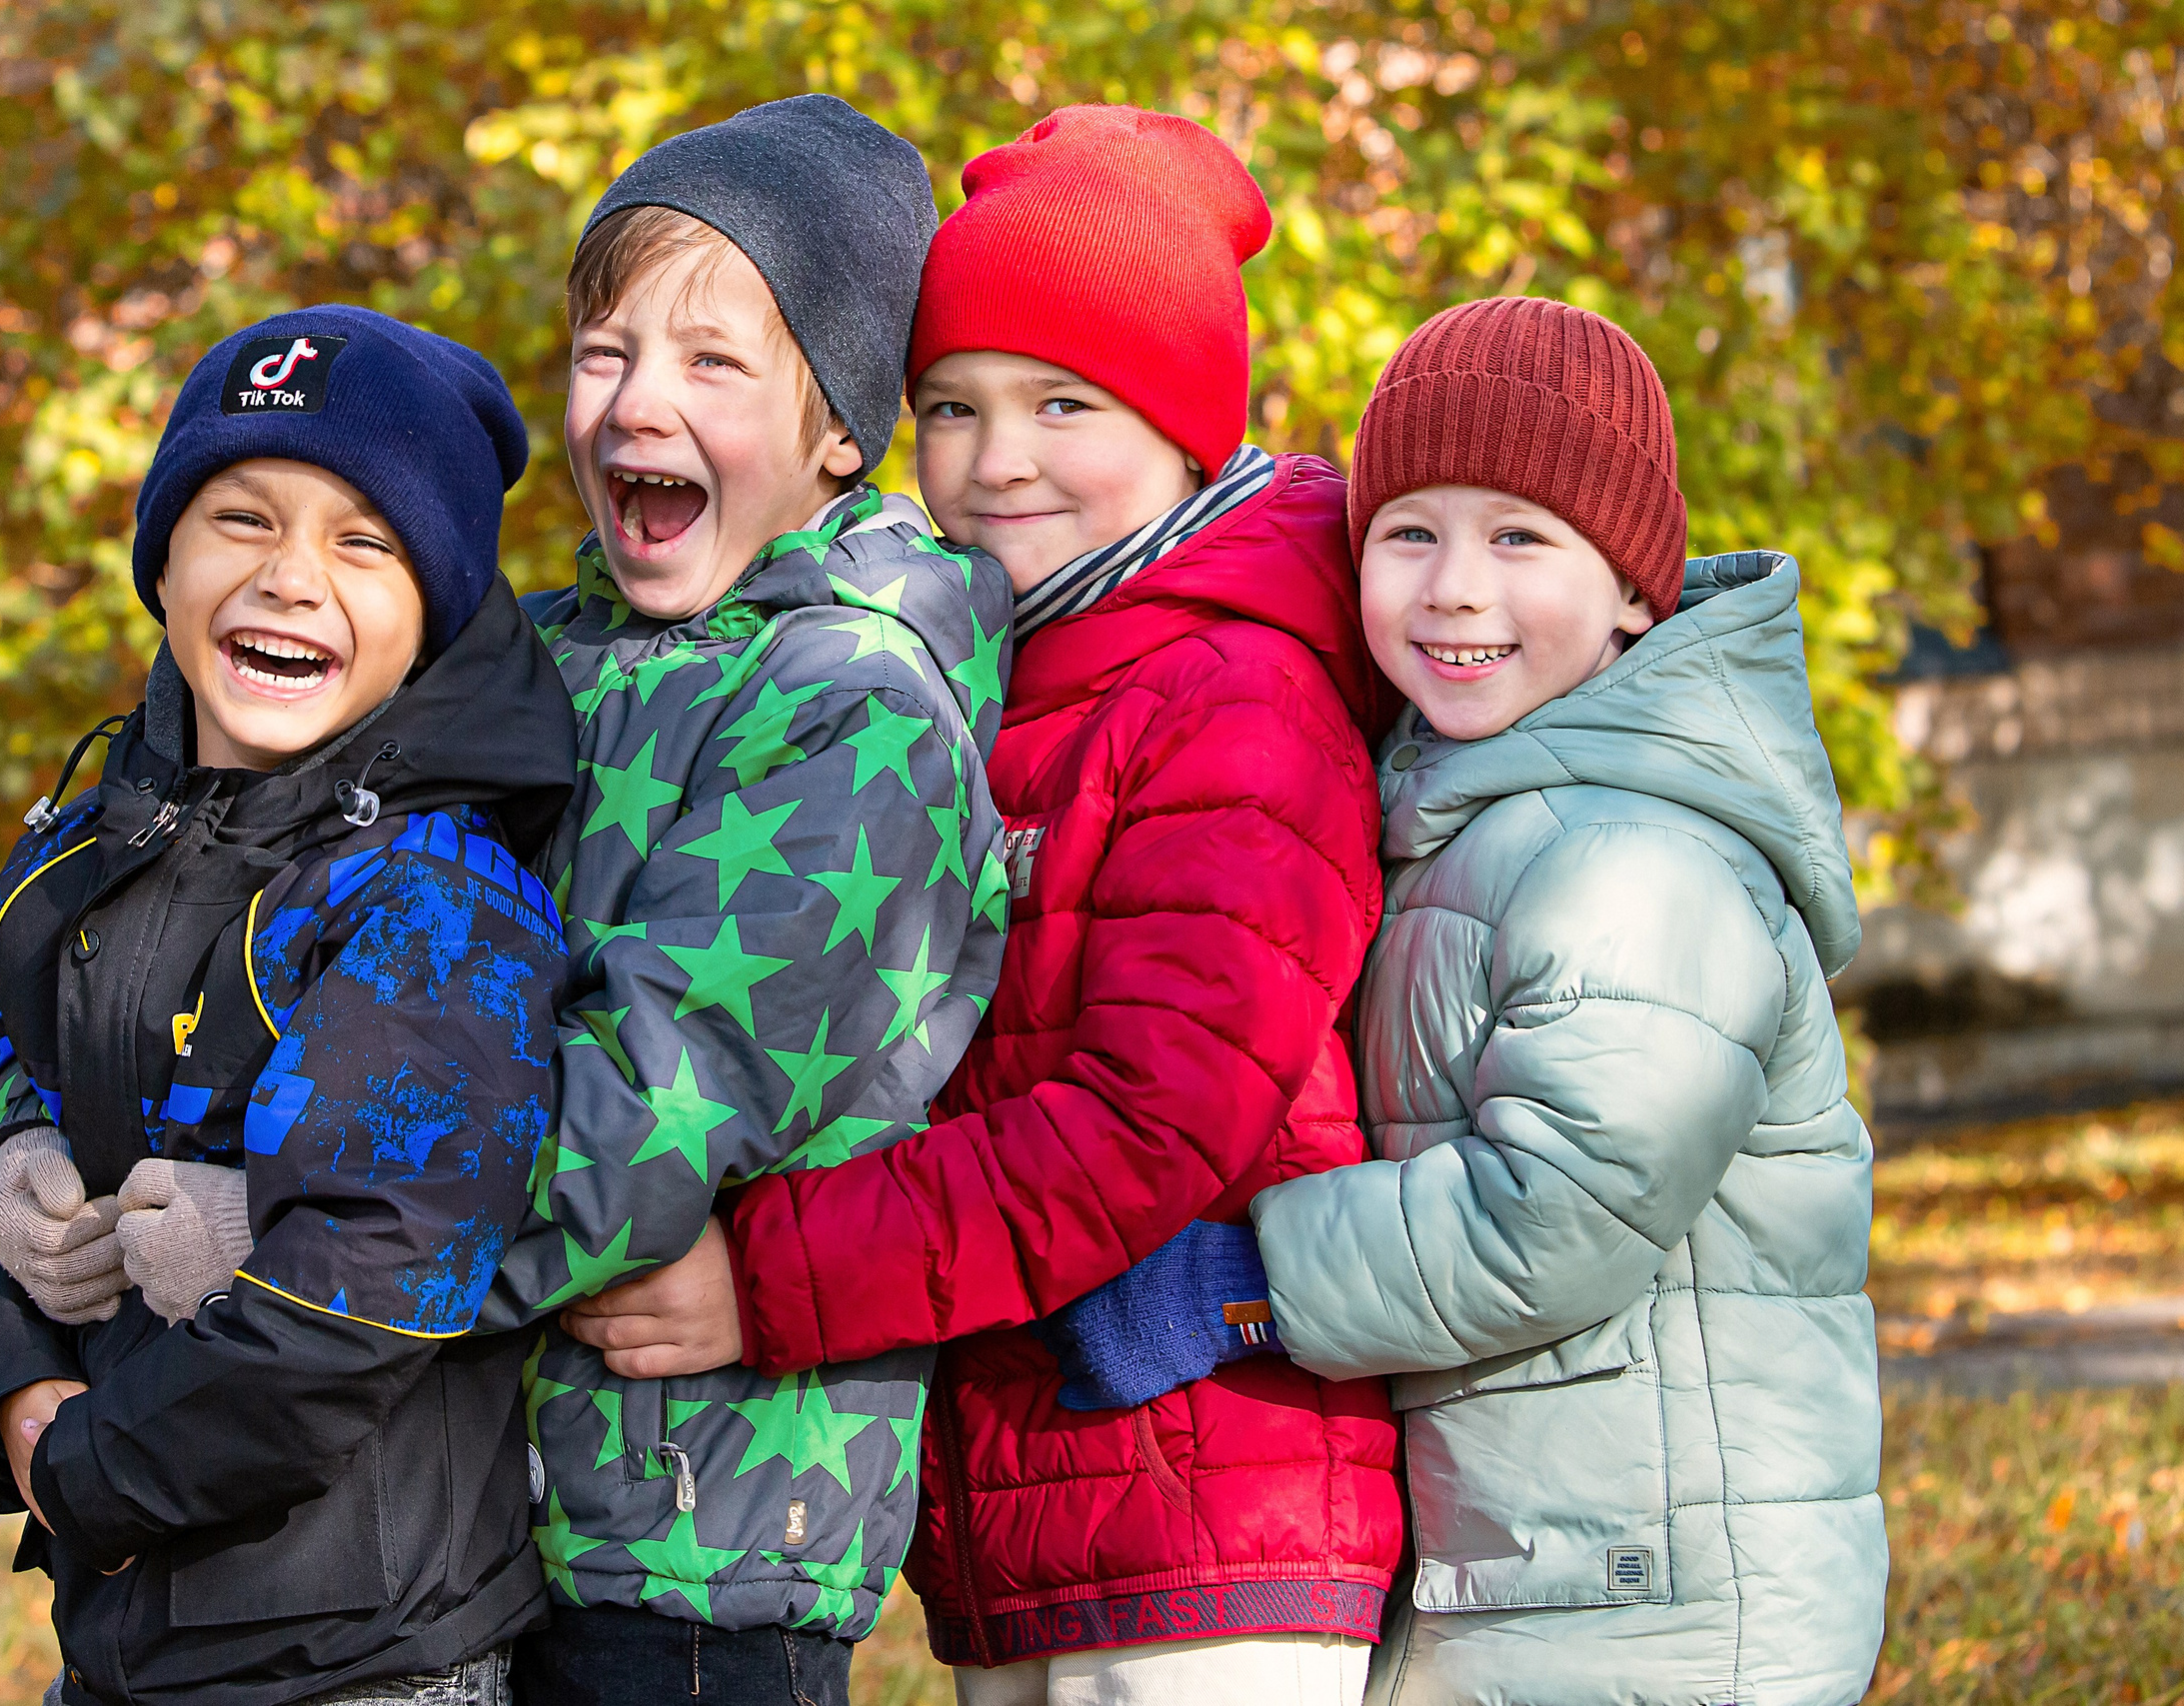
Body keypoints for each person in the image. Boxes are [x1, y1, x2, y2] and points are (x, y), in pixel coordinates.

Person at [572, 105, 1407, 1705]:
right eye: (950, 406)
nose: (995, 457)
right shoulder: (1011, 680)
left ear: (1185, 433)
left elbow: (1149, 1125)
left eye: (1063, 404)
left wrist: (774, 1275)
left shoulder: (1233, 698)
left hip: (1206, 1499)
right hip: (1037, 1501)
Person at [1231, 296, 1885, 1703]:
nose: (1456, 586)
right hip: (1556, 1562)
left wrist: (1246, 1282)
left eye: (1520, 536)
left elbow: (1562, 1207)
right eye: (1411, 533)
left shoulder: (1637, 857)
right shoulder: (1468, 818)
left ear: (1636, 589)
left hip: (1669, 1589)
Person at [0, 306, 576, 1706]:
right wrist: (12, 1373)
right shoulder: (92, 847)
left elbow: (370, 1281)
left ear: (438, 605)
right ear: (164, 560)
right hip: (126, 1639)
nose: (290, 578)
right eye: (240, 517)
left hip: (357, 1648)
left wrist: (85, 1470)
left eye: (364, 542)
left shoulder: (439, 895)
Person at [478, 95, 1014, 1706]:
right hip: (484, 1516)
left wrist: (302, 1263)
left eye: (714, 362)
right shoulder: (531, 665)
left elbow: (649, 1108)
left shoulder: (854, 703)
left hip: (697, 1554)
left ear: (840, 427)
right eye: (603, 350)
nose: (640, 402)